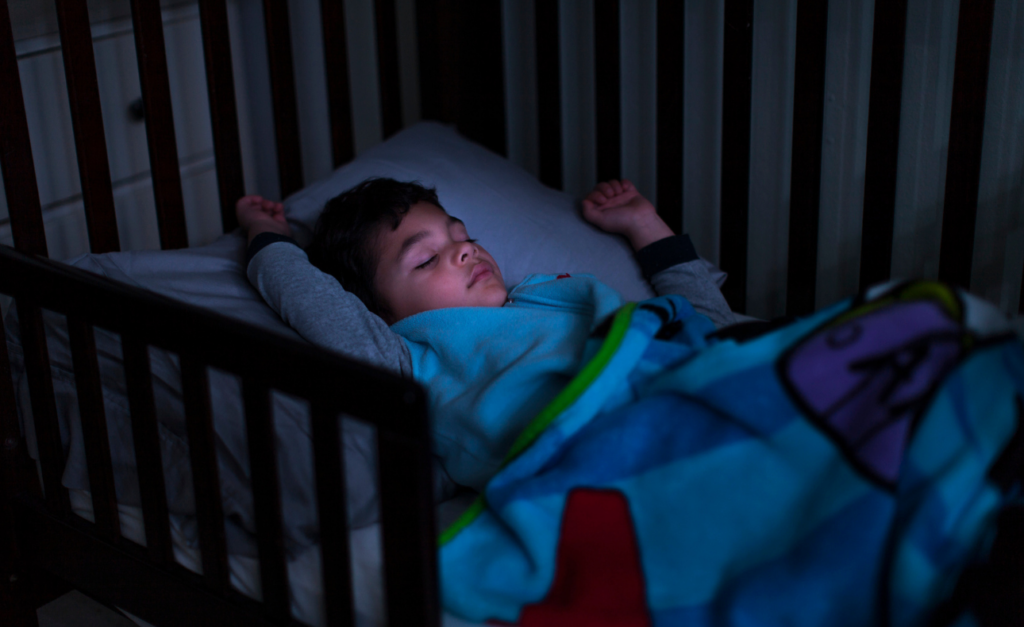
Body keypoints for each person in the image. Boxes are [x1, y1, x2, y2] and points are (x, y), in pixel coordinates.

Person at [237, 177, 734, 489]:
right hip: (620, 444)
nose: (466, 251)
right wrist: (268, 236)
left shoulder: (543, 294)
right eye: (427, 258)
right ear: (378, 314)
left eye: (464, 236)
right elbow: (308, 297)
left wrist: (644, 225)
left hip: (691, 381)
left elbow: (704, 323)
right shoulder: (410, 357)